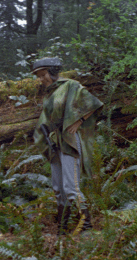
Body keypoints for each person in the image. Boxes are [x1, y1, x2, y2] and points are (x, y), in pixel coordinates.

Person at [32, 57, 104, 235]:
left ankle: (85, 226)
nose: (41, 79)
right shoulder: (49, 92)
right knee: (57, 187)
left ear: (53, 71)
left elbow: (93, 104)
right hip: (54, 142)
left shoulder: (71, 85)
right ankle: (63, 226)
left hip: (69, 140)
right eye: (39, 76)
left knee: (71, 187)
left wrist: (79, 121)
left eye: (43, 75)